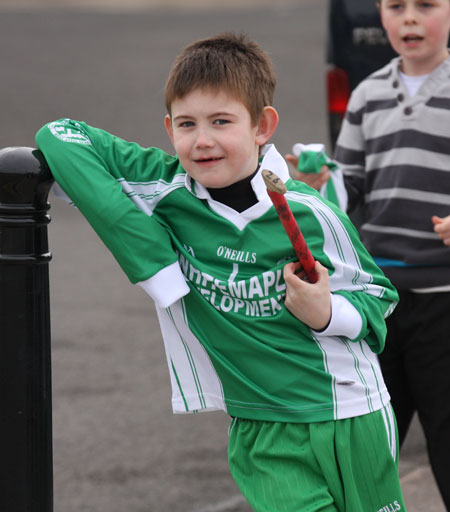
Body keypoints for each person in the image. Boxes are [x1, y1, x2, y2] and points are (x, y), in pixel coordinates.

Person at [36, 33, 406, 512]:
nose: (202, 140)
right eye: (187, 123)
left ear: (262, 126)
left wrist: (327, 312)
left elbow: (379, 298)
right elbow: (59, 135)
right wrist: (150, 257)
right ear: (169, 129)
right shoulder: (165, 187)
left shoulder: (310, 213)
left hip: (347, 414)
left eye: (221, 121)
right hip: (257, 427)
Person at [325, 0, 450, 508]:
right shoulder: (368, 93)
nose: (410, 18)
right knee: (369, 447)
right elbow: (348, 187)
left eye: (426, 4)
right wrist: (318, 183)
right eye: (396, 6)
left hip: (445, 303)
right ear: (380, 15)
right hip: (380, 304)